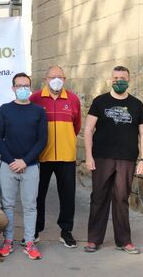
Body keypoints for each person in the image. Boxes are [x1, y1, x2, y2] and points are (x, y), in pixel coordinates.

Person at [84, 66, 143, 255]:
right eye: (115, 78)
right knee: (98, 198)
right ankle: (93, 240)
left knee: (121, 199)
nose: (118, 81)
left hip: (126, 159)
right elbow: (88, 129)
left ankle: (124, 241)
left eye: (122, 78)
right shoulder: (100, 101)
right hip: (102, 158)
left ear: (129, 80)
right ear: (110, 80)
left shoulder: (137, 104)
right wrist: (88, 156)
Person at [0, 72, 47, 260]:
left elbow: (42, 140)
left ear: (30, 87)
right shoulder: (5, 110)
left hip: (31, 166)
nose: (23, 89)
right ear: (13, 88)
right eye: (19, 86)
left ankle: (30, 242)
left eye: (26, 85)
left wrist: (25, 161)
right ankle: (8, 241)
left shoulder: (38, 111)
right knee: (8, 205)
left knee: (30, 205)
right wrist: (11, 161)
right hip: (8, 166)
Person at [30, 65, 81, 248]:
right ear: (46, 79)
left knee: (68, 196)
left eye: (59, 76)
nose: (56, 80)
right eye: (52, 77)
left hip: (66, 157)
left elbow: (76, 126)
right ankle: (34, 231)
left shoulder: (73, 99)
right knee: (37, 196)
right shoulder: (35, 98)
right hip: (41, 156)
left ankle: (66, 231)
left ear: (65, 79)